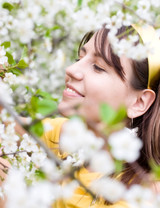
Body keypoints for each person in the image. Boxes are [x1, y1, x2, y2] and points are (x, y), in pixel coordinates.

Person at [41, 24, 160, 207]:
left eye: (97, 67)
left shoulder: (141, 196)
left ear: (139, 102)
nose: (71, 69)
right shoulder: (67, 137)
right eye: (78, 58)